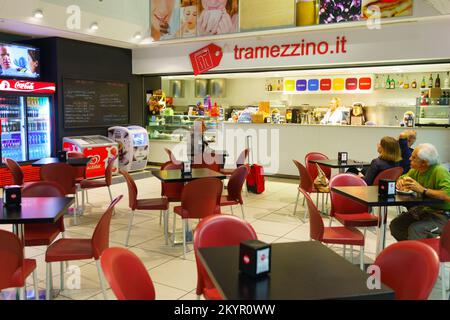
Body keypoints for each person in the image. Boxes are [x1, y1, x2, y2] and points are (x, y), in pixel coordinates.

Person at [390, 143, 450, 241]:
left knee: (416, 230)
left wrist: (423, 190)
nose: (409, 159)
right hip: (425, 210)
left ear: (424, 163)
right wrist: (401, 181)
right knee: (396, 225)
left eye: (414, 157)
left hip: (443, 215)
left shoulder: (440, 171)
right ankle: (414, 249)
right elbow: (404, 177)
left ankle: (421, 253)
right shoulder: (416, 170)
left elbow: (448, 195)